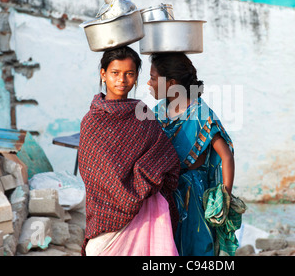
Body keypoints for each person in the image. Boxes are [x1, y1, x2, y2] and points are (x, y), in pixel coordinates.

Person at [78, 46, 180, 256]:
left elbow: (166, 158)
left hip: (147, 212)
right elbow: (94, 174)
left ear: (135, 78)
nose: (122, 80)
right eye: (115, 73)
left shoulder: (143, 114)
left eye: (129, 74)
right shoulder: (91, 122)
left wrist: (142, 180)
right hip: (106, 217)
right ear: (103, 74)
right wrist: (129, 192)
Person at [147, 52, 246, 256]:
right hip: (164, 192)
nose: (149, 83)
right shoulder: (157, 112)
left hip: (192, 194)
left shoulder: (200, 113)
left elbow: (226, 155)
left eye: (154, 78)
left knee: (195, 247)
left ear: (171, 83)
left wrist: (223, 198)